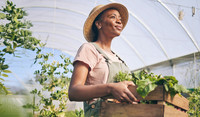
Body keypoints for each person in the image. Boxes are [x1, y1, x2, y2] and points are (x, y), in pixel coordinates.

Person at [68, 3, 138, 117]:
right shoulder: (89, 49)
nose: (119, 21)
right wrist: (110, 88)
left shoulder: (118, 58)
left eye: (120, 19)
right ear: (99, 24)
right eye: (113, 17)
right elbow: (73, 92)